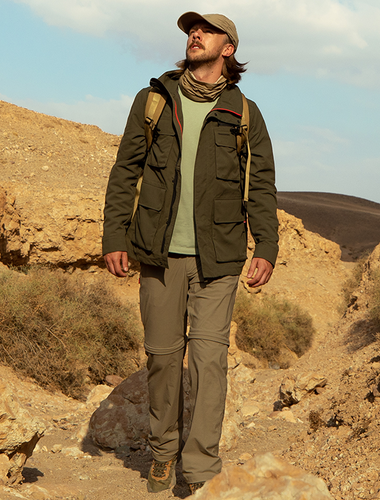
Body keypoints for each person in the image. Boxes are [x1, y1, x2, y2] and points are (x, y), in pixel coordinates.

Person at [102, 11, 279, 495]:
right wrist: (114, 235)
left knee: (208, 361)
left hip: (218, 259)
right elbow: (125, 171)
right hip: (159, 255)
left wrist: (266, 245)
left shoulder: (245, 113)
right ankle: (163, 451)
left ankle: (200, 469)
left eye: (206, 30)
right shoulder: (154, 101)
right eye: (190, 30)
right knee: (163, 358)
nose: (194, 35)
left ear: (228, 48)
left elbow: (261, 185)